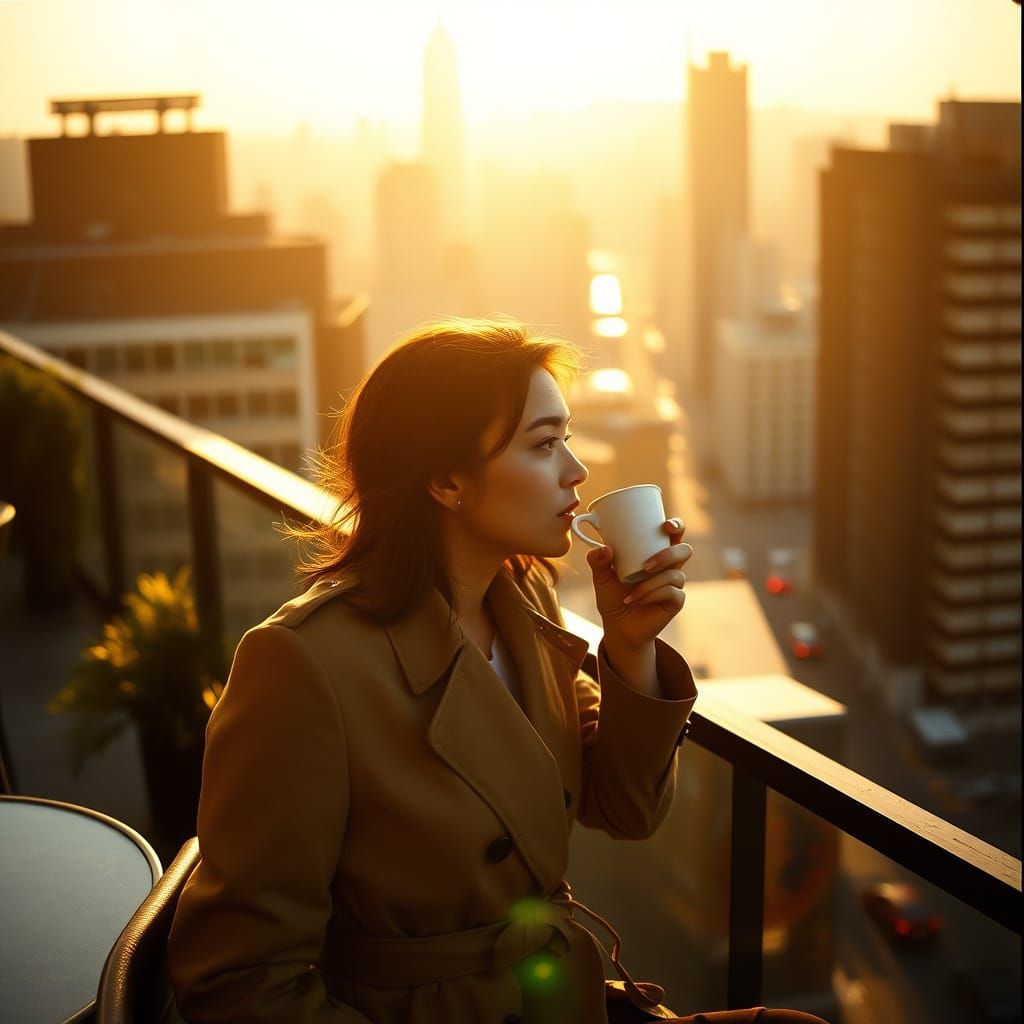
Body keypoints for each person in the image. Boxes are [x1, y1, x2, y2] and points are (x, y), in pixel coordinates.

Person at [167, 319, 827, 1024]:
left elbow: (625, 809)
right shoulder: (304, 663)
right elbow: (236, 981)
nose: (576, 471)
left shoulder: (523, 597)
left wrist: (631, 644)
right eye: (543, 444)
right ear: (446, 479)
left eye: (566, 437)